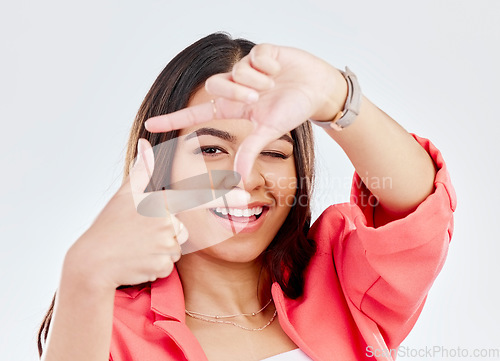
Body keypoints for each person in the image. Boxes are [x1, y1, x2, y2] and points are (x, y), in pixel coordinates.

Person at [37, 32, 456, 361]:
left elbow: (419, 210)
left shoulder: (342, 278)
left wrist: (334, 96)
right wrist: (83, 274)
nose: (245, 177)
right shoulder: (110, 329)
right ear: (158, 165)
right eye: (212, 150)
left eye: (273, 152)